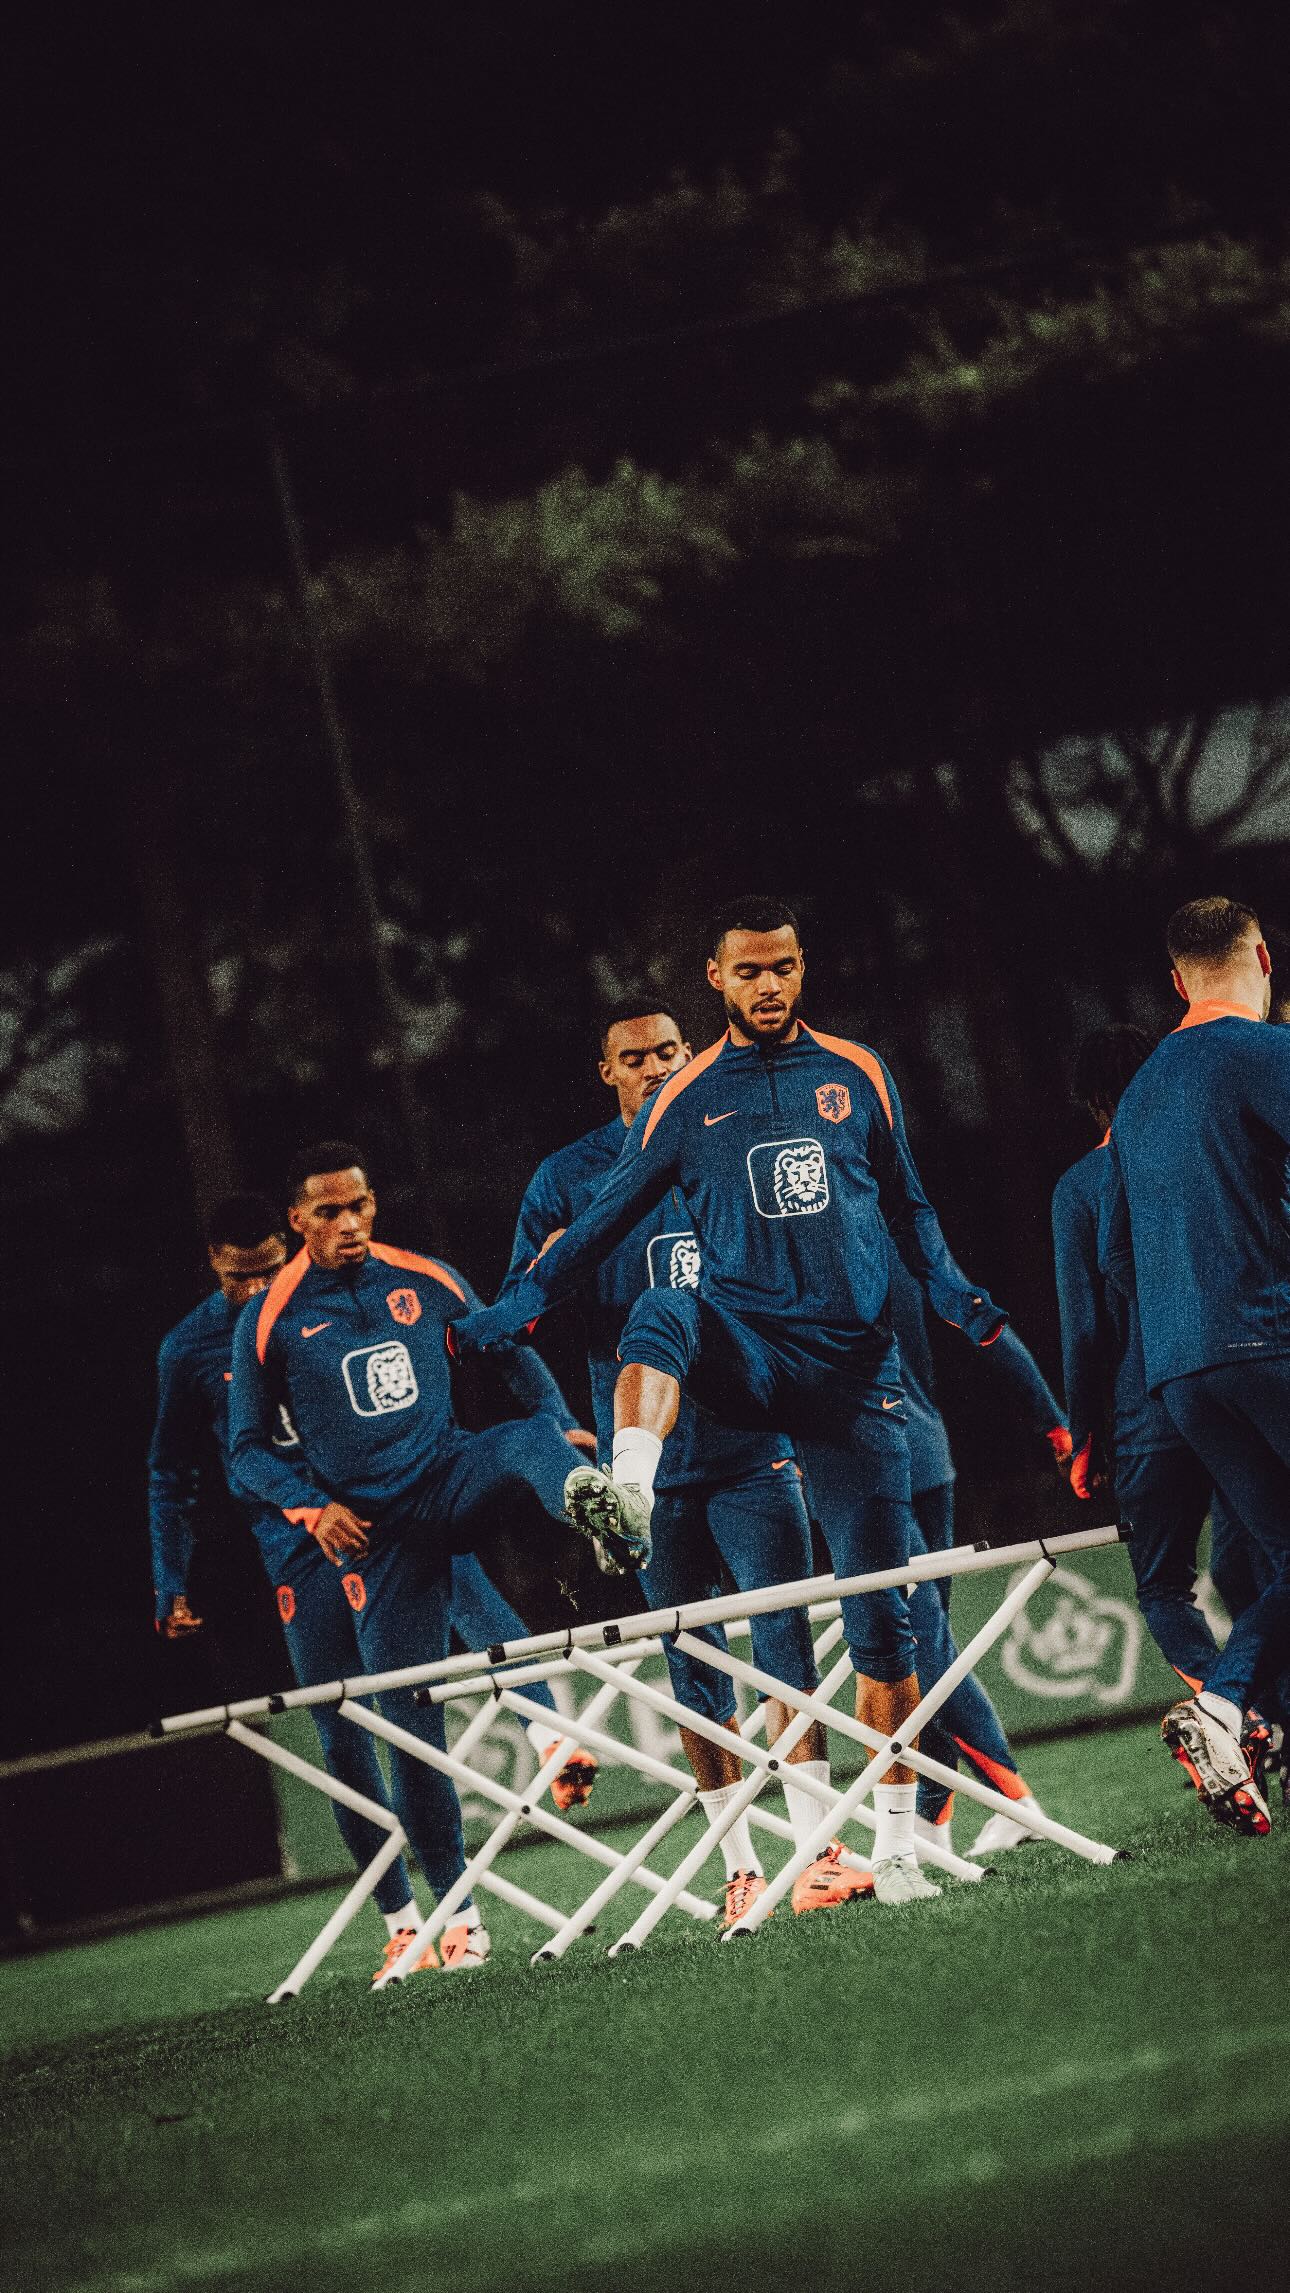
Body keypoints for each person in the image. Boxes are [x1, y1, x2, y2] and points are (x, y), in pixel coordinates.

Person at [456, 898, 1010, 1906]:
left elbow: (911, 1204)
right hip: (747, 1354)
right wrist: (523, 1300)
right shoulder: (685, 1103)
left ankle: (886, 1850)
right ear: (715, 977)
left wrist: (948, 1280)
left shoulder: (858, 1072)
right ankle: (628, 1481)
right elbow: (596, 1225)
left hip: (851, 1375)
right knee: (668, 1309)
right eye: (750, 971)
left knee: (879, 1619)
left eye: (785, 968)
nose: (770, 986)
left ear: (803, 969)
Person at [509, 1001, 867, 1924]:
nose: (658, 1066)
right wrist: (555, 1265)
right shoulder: (566, 1177)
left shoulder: (728, 1132)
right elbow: (523, 1309)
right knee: (692, 1658)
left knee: (785, 1640)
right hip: (650, 1472)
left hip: (754, 1443)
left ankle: (820, 1848)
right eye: (636, 1057)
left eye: (671, 1050)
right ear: (607, 1072)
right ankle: (739, 1862)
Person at [226, 1148, 597, 1971]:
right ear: (297, 1220)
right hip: (378, 1533)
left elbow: (502, 1343)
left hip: (448, 1475)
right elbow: (245, 1451)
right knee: (412, 1728)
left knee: (527, 1440)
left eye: (359, 1205)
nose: (349, 1223)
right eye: (328, 1212)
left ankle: (598, 1504)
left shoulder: (425, 1277)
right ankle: (455, 1918)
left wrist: (559, 1416)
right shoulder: (270, 1318)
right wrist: (312, 1507)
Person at [1100, 898, 1290, 1833]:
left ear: (1176, 982)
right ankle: (1237, 1710)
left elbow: (1121, 1257)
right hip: (1268, 1337)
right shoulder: (1264, 1053)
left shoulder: (1136, 1093)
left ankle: (1228, 1711)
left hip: (1179, 1369)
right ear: (1262, 955)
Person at [885, 1242, 1069, 1856]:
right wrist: (1050, 1415)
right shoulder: (896, 1238)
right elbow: (980, 1318)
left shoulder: (791, 1240)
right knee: (923, 1643)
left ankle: (1015, 1802)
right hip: (929, 1453)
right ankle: (933, 1822)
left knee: (921, 1644)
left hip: (873, 1469)